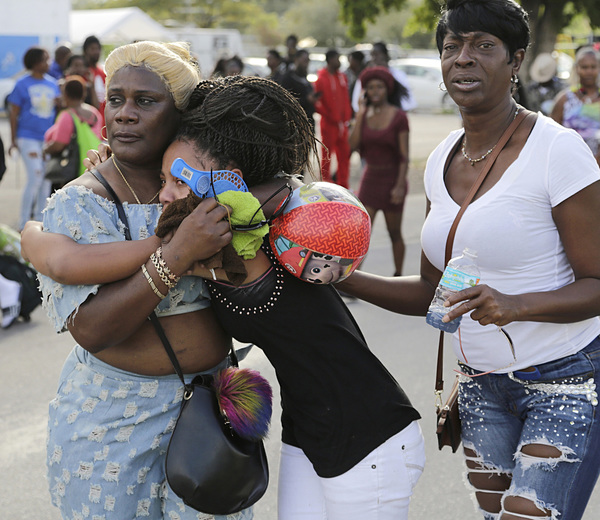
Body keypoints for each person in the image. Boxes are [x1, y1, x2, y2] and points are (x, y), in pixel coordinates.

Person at [23, 75, 425, 520]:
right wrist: (108, 176)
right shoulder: (237, 221)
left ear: (228, 180)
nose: (163, 196)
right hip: (309, 434)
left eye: (176, 181)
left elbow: (76, 265)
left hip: (369, 435)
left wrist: (32, 235)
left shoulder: (236, 231)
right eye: (161, 179)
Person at [338, 1, 600, 518]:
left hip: (564, 380)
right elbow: (429, 293)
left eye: (483, 45)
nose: (463, 58)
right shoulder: (441, 158)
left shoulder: (557, 150)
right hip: (480, 385)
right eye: (451, 46)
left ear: (516, 60)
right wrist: (339, 278)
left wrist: (516, 305)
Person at [22, 40, 251, 520]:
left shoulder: (214, 188)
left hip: (209, 414)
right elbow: (93, 329)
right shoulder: (82, 202)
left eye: (146, 101)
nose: (125, 113)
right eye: (116, 99)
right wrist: (176, 255)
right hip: (109, 427)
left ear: (182, 115)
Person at [349, 66, 409, 276]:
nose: (375, 91)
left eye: (380, 87)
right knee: (362, 233)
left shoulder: (399, 117)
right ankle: (354, 277)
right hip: (370, 178)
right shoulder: (363, 116)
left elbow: (404, 156)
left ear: (387, 89)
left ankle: (398, 276)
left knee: (394, 233)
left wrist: (399, 186)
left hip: (393, 179)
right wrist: (360, 113)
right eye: (371, 87)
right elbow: (352, 146)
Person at [7, 46, 60, 230]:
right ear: (35, 62)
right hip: (27, 137)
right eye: (45, 59)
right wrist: (13, 140)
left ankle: (40, 221)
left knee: (46, 179)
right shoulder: (21, 84)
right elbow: (13, 113)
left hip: (47, 139)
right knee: (35, 176)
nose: (48, 63)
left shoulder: (53, 84)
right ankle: (24, 223)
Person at [43, 75, 102, 188]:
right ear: (84, 94)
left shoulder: (67, 115)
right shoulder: (94, 113)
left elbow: (58, 145)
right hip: (93, 165)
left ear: (65, 94)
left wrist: (45, 150)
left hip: (73, 170)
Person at [551, 46, 600, 165]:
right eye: (584, 67)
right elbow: (551, 134)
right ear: (577, 68)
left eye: (593, 67)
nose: (589, 71)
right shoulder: (564, 99)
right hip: (568, 164)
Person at [314, 49, 352, 188]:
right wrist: (329, 115)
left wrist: (347, 117)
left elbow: (346, 98)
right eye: (337, 59)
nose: (339, 62)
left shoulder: (341, 77)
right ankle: (325, 184)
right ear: (330, 60)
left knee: (344, 155)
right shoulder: (321, 79)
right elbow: (317, 102)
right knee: (327, 155)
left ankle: (344, 184)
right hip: (329, 124)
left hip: (342, 124)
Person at [351, 42, 416, 113]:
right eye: (372, 55)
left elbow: (408, 102)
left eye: (376, 54)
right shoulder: (367, 76)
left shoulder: (398, 75)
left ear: (385, 55)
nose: (374, 58)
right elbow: (356, 102)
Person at [280, 49, 320, 129]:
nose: (306, 64)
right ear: (296, 59)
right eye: (304, 60)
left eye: (308, 61)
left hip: (308, 122)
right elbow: (285, 101)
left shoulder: (304, 77)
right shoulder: (287, 78)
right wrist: (306, 100)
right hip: (295, 124)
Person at [82, 35, 106, 111]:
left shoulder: (103, 72)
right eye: (93, 49)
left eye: (98, 49)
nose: (96, 52)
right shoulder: (83, 72)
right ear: (85, 51)